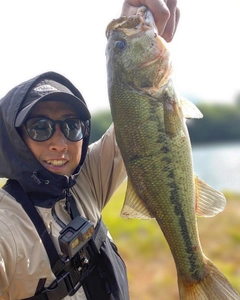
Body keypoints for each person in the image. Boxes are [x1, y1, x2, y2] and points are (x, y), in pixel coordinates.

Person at [0, 1, 179, 299]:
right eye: (40, 127)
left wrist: (132, 26)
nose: (59, 143)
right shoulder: (7, 222)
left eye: (72, 126)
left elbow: (137, 118)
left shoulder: (87, 181)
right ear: (15, 137)